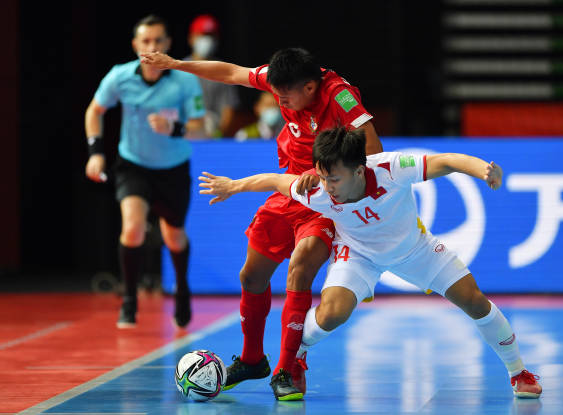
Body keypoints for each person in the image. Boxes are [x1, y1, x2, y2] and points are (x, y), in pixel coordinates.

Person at [198, 126, 543, 400]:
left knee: (475, 302)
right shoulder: (316, 189)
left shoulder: (393, 168)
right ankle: (297, 353)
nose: (328, 187)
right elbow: (274, 180)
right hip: (358, 254)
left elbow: (447, 160)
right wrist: (234, 186)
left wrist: (483, 170)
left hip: (414, 250)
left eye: (335, 179)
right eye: (323, 176)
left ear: (360, 170)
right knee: (332, 313)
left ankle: (519, 373)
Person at [140, 47, 383, 400]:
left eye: (286, 93)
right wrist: (177, 64)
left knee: (300, 268)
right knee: (251, 276)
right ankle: (253, 359)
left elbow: (374, 151)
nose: (279, 99)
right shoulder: (282, 81)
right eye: (276, 90)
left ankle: (287, 369)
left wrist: (329, 175)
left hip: (326, 200)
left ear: (311, 87)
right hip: (290, 189)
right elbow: (231, 73)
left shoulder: (339, 97)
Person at [84, 15, 206, 329]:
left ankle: (182, 289)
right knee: (133, 228)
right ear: (136, 45)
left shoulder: (184, 79)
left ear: (167, 45)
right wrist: (96, 153)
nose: (151, 46)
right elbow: (94, 111)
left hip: (173, 168)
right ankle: (129, 300)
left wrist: (174, 127)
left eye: (158, 40)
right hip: (132, 164)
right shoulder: (120, 76)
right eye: (146, 41)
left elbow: (201, 128)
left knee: (174, 237)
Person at [186, 14, 240, 137]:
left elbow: (228, 108)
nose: (206, 40)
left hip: (212, 130)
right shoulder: (179, 68)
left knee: (209, 120)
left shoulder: (223, 69)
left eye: (209, 36)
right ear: (191, 38)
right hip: (185, 130)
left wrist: (218, 134)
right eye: (202, 35)